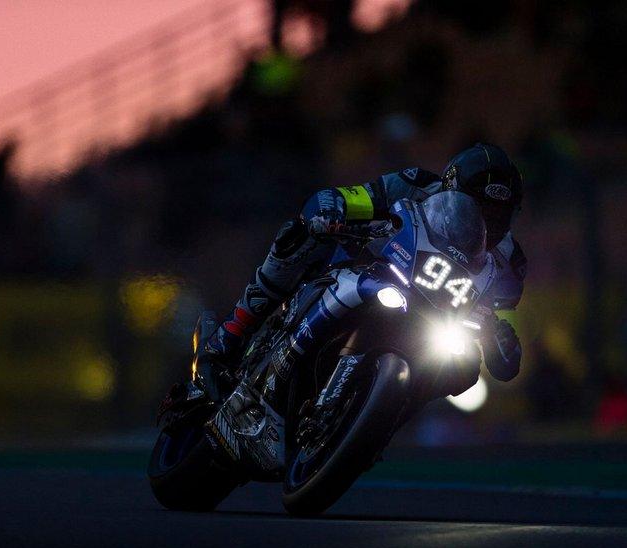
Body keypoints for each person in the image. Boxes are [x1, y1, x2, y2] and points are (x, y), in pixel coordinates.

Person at [200, 142, 528, 385]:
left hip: (430, 323)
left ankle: (382, 419)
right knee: (297, 237)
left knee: (465, 369)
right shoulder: (413, 184)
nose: (486, 221)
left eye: (498, 214)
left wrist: (498, 337)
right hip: (366, 267)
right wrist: (333, 210)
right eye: (478, 206)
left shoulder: (509, 261)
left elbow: (497, 332)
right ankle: (229, 334)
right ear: (450, 188)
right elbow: (351, 197)